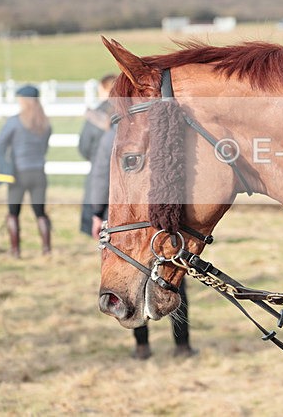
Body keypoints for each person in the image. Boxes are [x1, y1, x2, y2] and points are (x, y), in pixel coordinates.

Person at [88, 125, 197, 360]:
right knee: (173, 277)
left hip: (124, 223)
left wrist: (97, 213)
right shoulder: (153, 134)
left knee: (128, 282)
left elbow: (100, 177)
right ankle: (182, 344)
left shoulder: (114, 136)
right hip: (157, 219)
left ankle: (142, 346)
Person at [0, 85, 52, 258]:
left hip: (18, 174)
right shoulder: (45, 124)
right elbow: (45, 148)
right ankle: (47, 251)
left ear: (23, 101)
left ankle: (15, 251)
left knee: (13, 213)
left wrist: (2, 162)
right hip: (39, 173)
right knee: (40, 213)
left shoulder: (15, 122)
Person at [79, 74, 116, 236]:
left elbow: (83, 147)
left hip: (98, 175)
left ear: (103, 89)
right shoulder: (130, 112)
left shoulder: (95, 115)